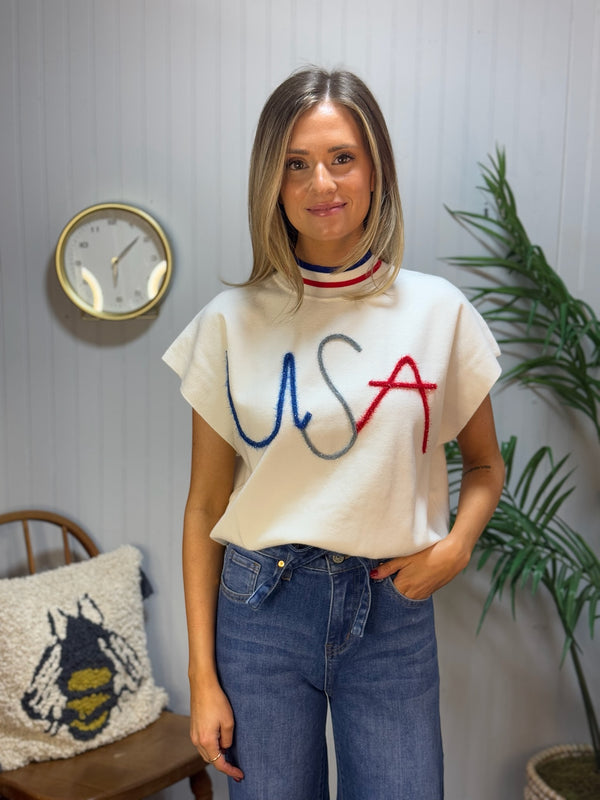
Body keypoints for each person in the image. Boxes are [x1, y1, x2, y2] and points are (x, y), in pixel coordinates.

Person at [163, 67, 505, 800]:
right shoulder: (228, 324)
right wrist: (202, 676)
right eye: (296, 164)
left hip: (392, 612)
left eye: (341, 158)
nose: (321, 183)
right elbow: (204, 506)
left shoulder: (439, 313)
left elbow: (484, 466)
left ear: (375, 170)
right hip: (260, 612)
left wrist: (456, 546)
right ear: (272, 183)